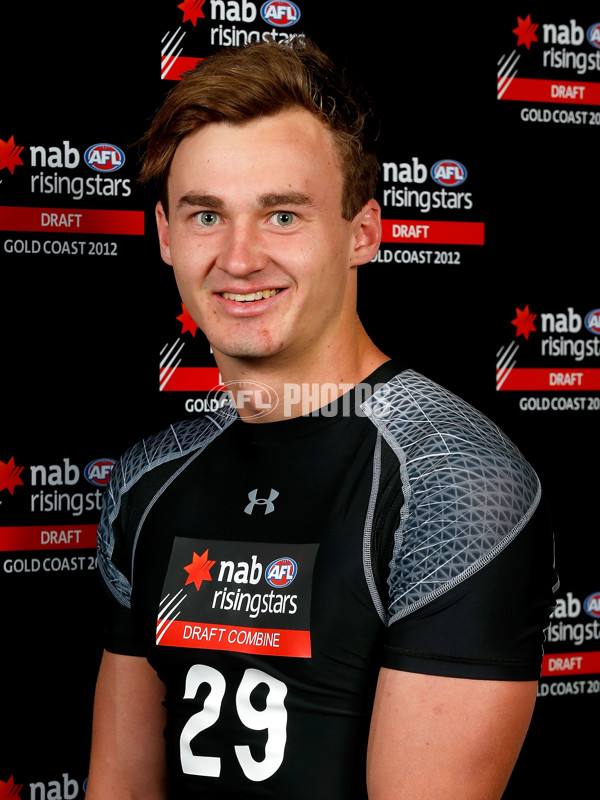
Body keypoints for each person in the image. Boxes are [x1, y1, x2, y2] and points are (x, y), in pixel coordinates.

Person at [86, 38, 558, 799]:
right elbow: (120, 786)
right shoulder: (147, 478)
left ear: (363, 231)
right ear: (166, 235)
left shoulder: (453, 483)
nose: (239, 259)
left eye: (281, 215)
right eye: (207, 214)